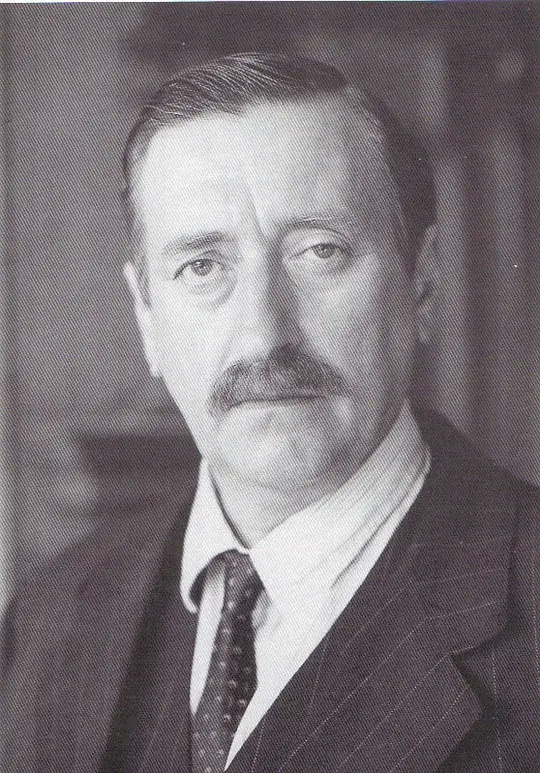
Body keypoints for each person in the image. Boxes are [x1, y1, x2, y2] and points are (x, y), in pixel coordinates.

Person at [3, 52, 540, 773]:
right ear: (147, 318)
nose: (264, 333)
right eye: (203, 266)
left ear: (424, 281)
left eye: (320, 251)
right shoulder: (49, 617)